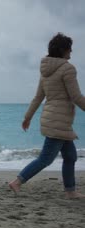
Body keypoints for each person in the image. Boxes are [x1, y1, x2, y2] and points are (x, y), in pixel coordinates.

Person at [9, 32, 85, 199]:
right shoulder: (68, 69)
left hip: (55, 120)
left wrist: (27, 117)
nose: (71, 53)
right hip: (59, 122)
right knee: (46, 159)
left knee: (70, 156)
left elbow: (38, 97)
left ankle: (70, 191)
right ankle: (17, 181)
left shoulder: (45, 70)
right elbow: (76, 97)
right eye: (69, 50)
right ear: (63, 50)